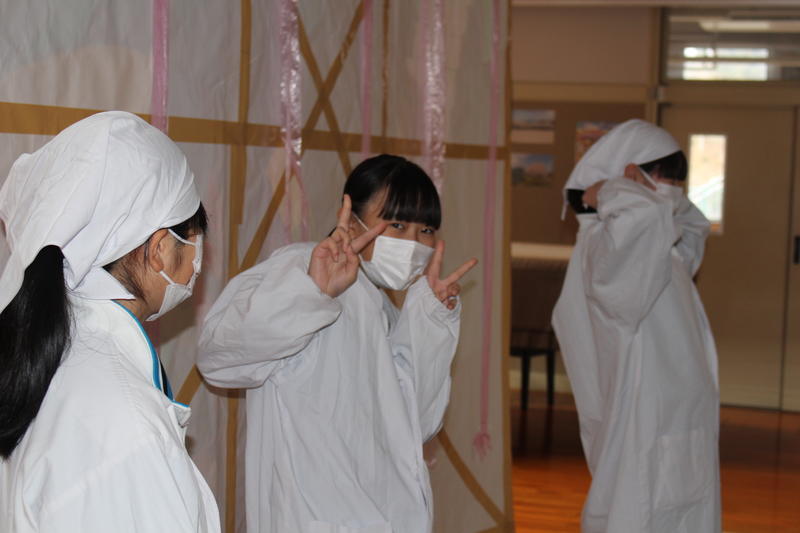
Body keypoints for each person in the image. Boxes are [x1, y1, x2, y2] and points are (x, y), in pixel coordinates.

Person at [197, 154, 477, 533]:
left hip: (386, 515)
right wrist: (310, 292)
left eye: (425, 230)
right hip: (312, 515)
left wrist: (430, 324)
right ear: (352, 216)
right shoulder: (300, 268)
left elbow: (417, 425)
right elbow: (219, 357)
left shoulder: (383, 307)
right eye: (396, 224)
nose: (413, 243)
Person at [0, 111, 220, 532]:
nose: (198, 260)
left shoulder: (48, 350)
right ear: (160, 249)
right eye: (194, 239)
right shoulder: (126, 424)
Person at [552, 119, 721, 532]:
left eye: (680, 184)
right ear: (630, 174)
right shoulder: (606, 245)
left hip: (678, 422)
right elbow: (643, 214)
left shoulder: (660, 242)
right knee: (639, 513)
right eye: (667, 181)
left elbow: (690, 224)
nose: (673, 194)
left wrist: (624, 190)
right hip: (645, 424)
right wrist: (610, 189)